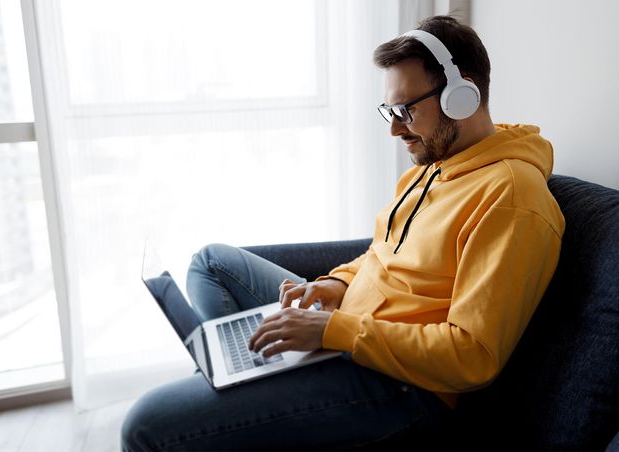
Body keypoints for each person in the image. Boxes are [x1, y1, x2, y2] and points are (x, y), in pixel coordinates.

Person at [122, 15, 564, 451]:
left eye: (406, 109)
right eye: (390, 110)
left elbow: (471, 357)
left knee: (145, 424)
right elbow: (381, 252)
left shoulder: (510, 199)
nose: (395, 129)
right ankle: (241, 381)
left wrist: (332, 330)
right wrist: (337, 284)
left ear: (461, 95)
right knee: (212, 262)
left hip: (400, 387)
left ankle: (236, 396)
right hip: (349, 331)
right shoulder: (436, 164)